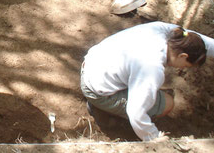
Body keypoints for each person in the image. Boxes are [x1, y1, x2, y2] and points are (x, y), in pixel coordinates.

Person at [80, 21, 214, 141]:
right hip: (98, 91)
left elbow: (195, 39)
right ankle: (102, 110)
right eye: (186, 65)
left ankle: (103, 105)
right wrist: (154, 139)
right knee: (167, 103)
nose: (184, 68)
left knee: (149, 92)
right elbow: (136, 113)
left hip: (91, 68)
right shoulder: (151, 68)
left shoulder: (166, 31)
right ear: (183, 56)